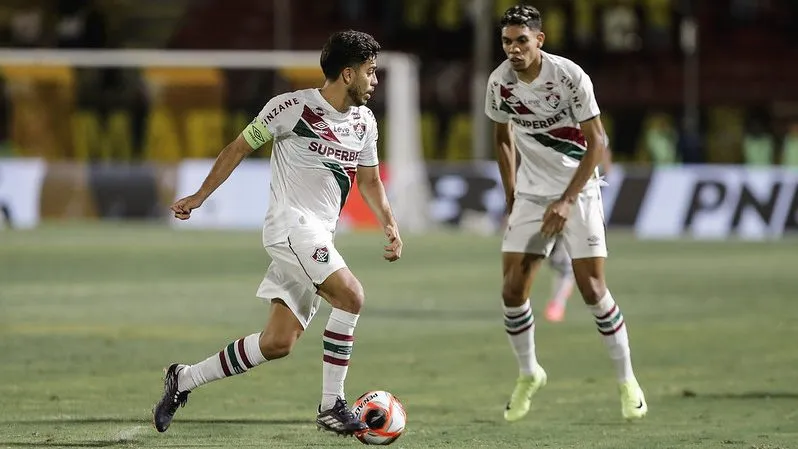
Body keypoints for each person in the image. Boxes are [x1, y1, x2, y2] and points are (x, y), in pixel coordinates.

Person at [152, 30, 403, 437]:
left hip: (318, 236)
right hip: (291, 227)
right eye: (370, 72)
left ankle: (183, 378)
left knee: (277, 342)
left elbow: (370, 180)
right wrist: (199, 196)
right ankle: (331, 405)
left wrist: (389, 222)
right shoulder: (291, 107)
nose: (374, 81)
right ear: (347, 73)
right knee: (351, 296)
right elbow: (238, 147)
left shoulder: (364, 122)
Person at [484, 5, 647, 422]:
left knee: (592, 288)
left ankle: (627, 382)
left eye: (522, 40)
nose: (514, 49)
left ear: (539, 39)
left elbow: (597, 143)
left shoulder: (569, 76)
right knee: (512, 291)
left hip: (580, 191)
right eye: (507, 41)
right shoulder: (500, 83)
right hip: (532, 195)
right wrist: (512, 195)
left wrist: (567, 200)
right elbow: (502, 138)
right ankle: (529, 373)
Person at [544, 141, 613, 322]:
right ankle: (563, 286)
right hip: (554, 191)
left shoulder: (589, 126)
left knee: (566, 257)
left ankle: (558, 302)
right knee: (554, 254)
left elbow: (602, 148)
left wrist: (605, 174)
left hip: (580, 197)